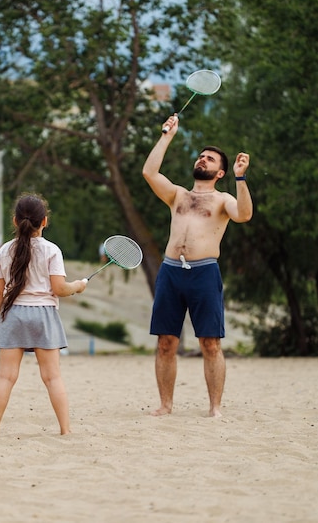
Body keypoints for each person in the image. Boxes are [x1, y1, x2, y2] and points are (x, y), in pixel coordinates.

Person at [142, 113, 253, 418]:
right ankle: (166, 405)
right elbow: (150, 172)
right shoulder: (178, 194)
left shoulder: (223, 199)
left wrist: (241, 178)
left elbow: (244, 214)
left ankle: (215, 408)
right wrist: (166, 136)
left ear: (220, 173)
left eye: (210, 159)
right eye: (201, 156)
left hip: (204, 273)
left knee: (210, 343)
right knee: (166, 342)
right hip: (170, 272)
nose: (203, 160)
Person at [0, 193, 87, 438]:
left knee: (5, 377)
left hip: (14, 314)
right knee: (52, 377)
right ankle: (65, 430)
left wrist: (3, 318)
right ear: (44, 221)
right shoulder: (52, 250)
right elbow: (59, 289)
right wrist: (77, 286)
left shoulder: (4, 251)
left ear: (14, 221)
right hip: (44, 315)